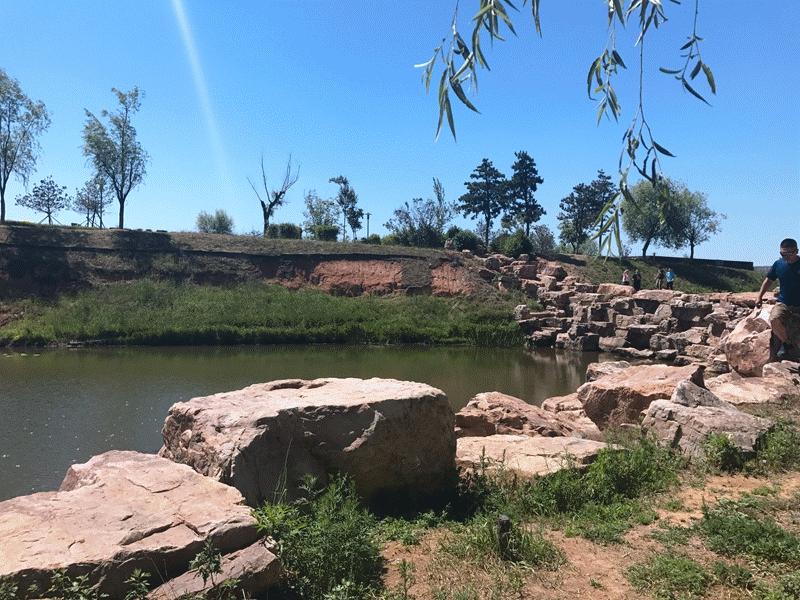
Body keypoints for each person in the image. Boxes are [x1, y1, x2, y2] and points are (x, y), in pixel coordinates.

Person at [756, 238, 800, 360]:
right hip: (784, 302)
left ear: (796, 251)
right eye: (782, 254)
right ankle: (786, 344)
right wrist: (759, 297)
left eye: (788, 254)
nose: (785, 257)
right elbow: (768, 280)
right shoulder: (778, 264)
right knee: (775, 318)